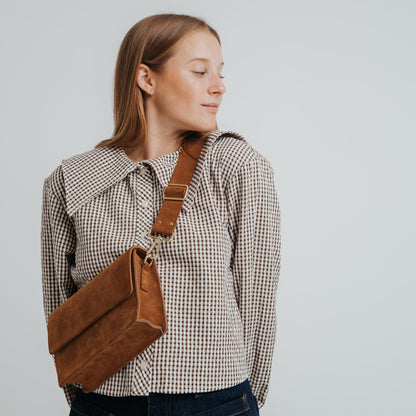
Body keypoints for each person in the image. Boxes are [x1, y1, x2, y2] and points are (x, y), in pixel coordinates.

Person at [40, 13, 281, 416]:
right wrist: (87, 396)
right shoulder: (70, 180)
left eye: (220, 73)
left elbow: (256, 299)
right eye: (200, 71)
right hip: (101, 404)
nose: (219, 87)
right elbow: (61, 308)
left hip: (217, 401)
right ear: (146, 79)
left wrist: (240, 399)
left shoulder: (237, 166)